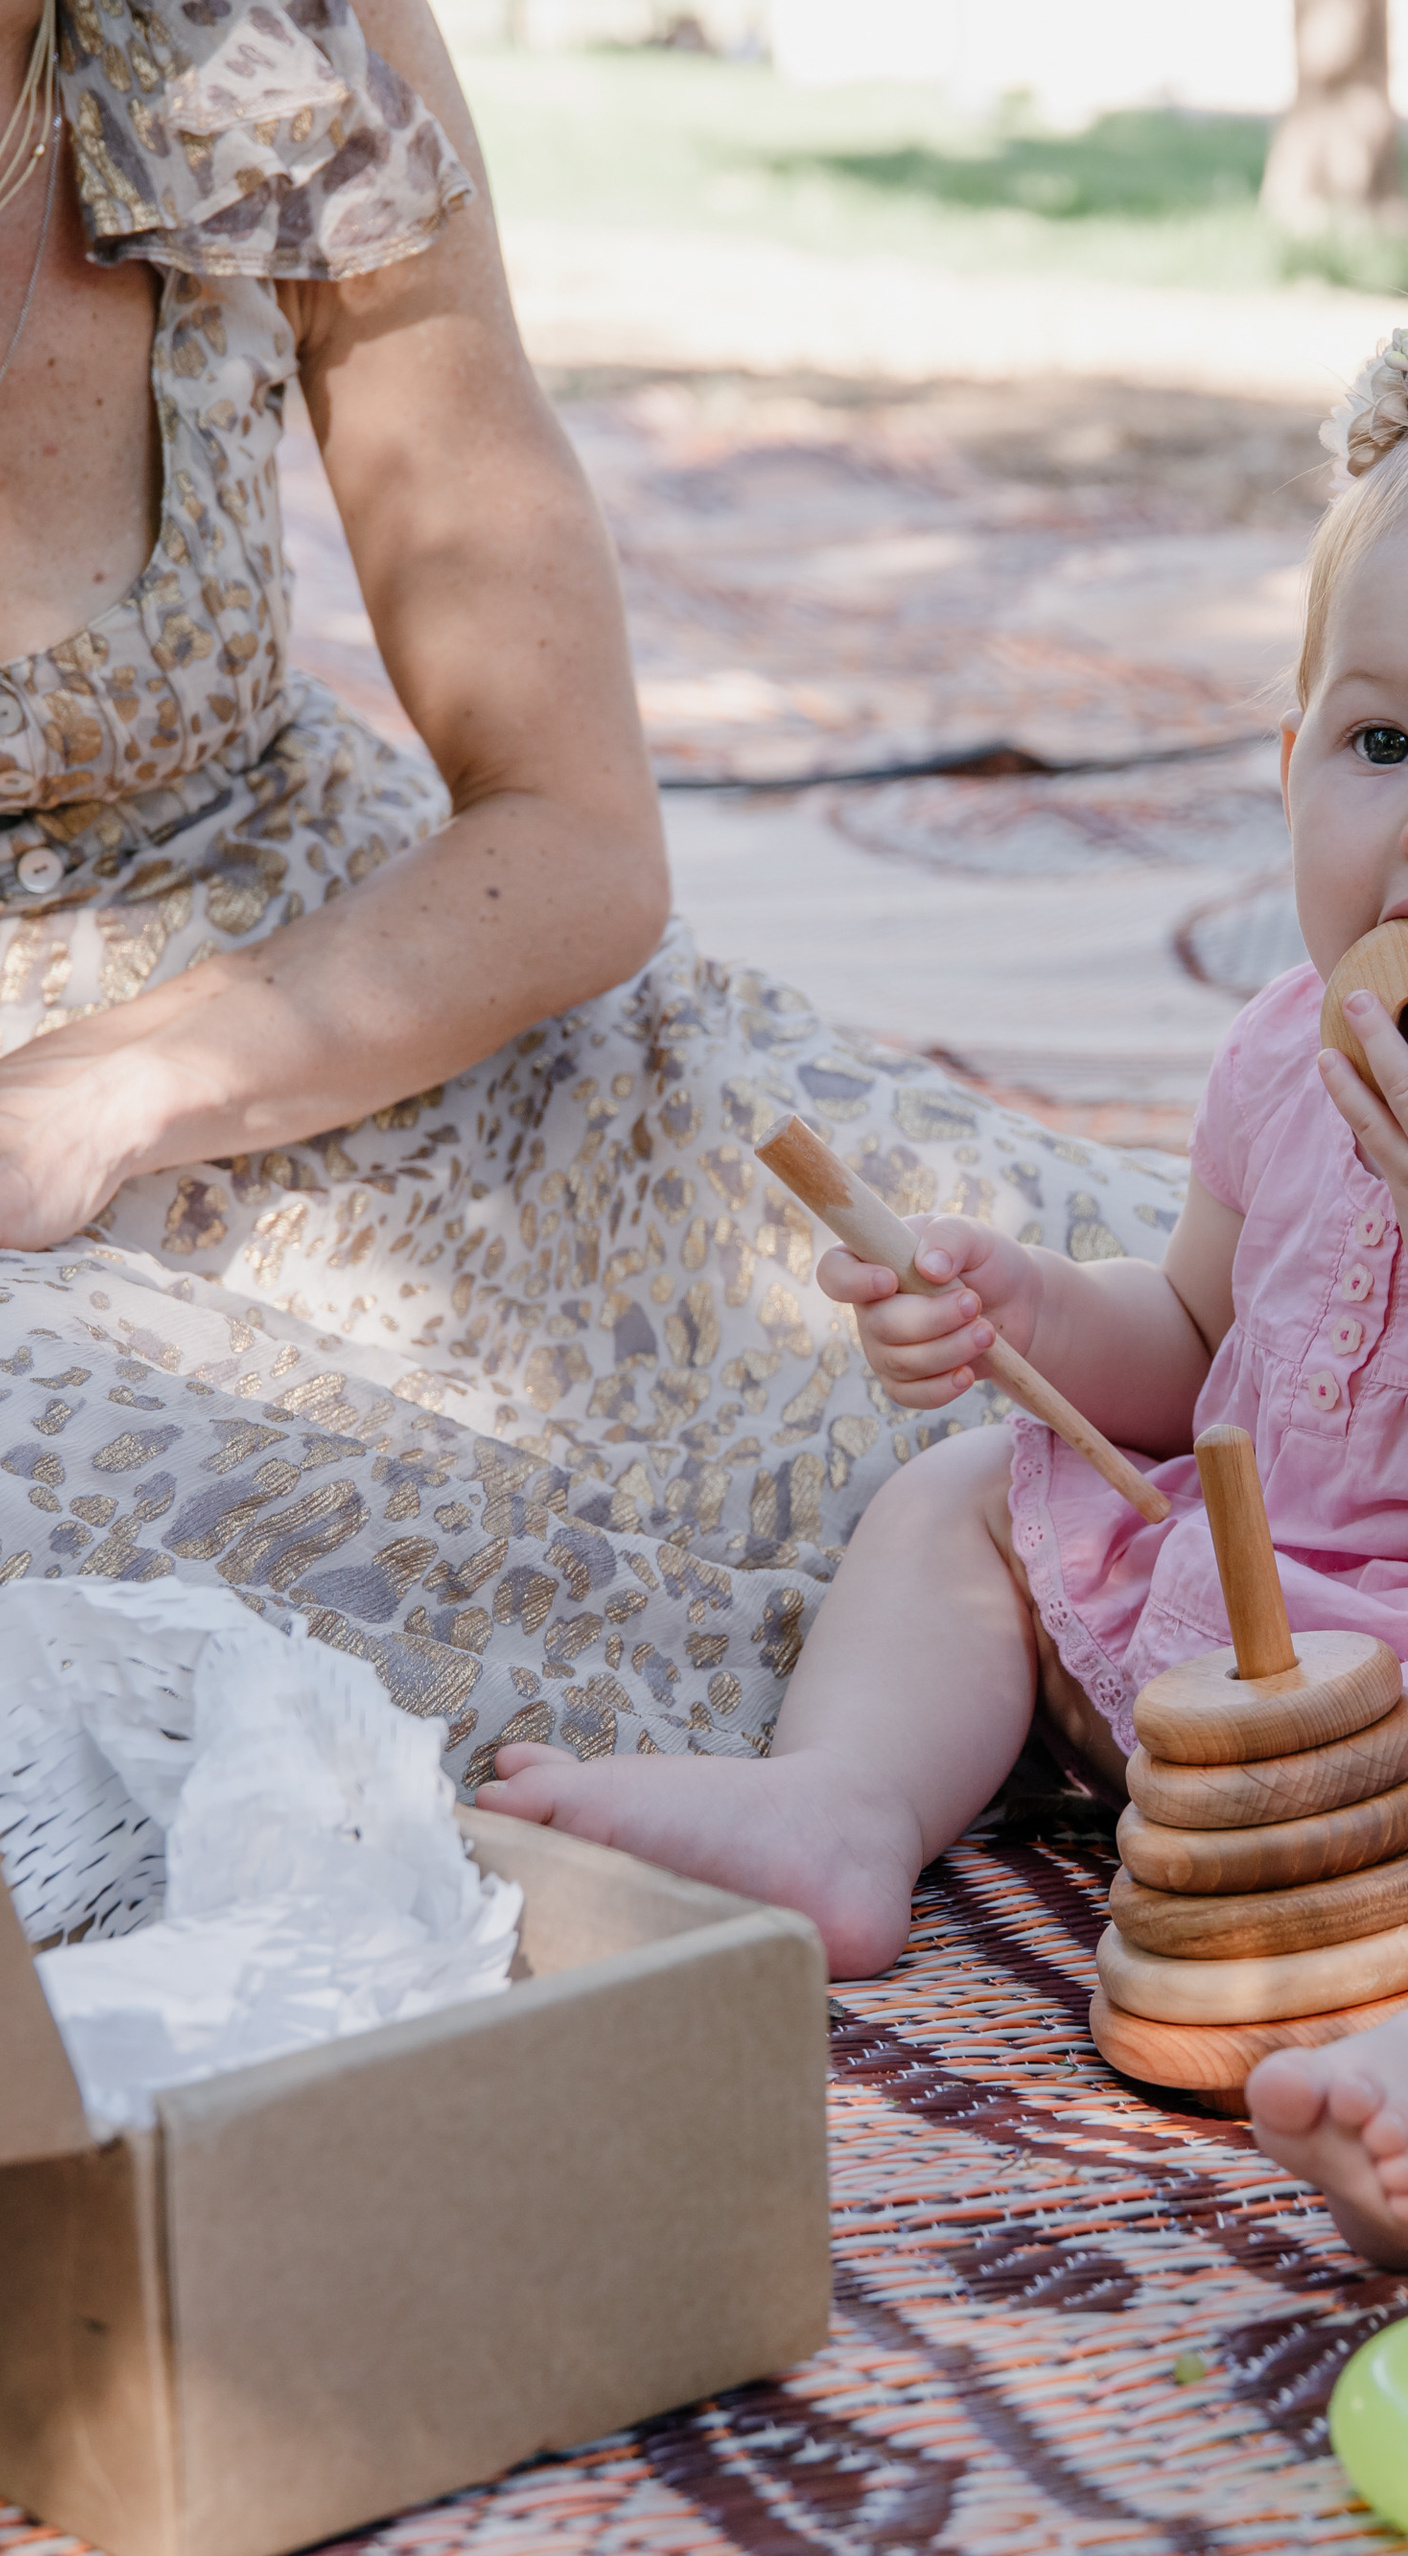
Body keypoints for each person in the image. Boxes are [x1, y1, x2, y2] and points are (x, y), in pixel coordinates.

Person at [479, 277, 1408, 2269]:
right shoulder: (1295, 1047)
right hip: (1300, 1621)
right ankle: (844, 1805)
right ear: (1290, 760)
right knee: (970, 1493)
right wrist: (1033, 1313)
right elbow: (1202, 1335)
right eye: (1382, 739)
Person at [0, 0, 1177, 1773]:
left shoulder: (279, 40)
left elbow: (572, 830)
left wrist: (127, 1083)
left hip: (353, 983)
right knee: (208, 1564)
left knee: (1201, 1338)